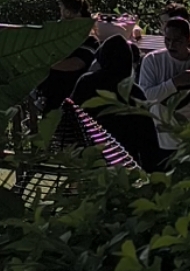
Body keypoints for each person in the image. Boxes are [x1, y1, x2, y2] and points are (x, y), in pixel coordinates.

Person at [70, 34, 165, 170]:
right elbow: (147, 138)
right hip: (124, 159)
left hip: (90, 153)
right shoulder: (133, 91)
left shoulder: (86, 83)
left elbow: (71, 115)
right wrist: (151, 169)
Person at [139, 16, 190, 152]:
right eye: (167, 40)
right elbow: (146, 98)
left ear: (189, 39)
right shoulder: (152, 61)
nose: (171, 45)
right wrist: (174, 83)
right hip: (161, 139)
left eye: (177, 41)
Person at [37, 0, 97, 113]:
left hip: (74, 99)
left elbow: (76, 64)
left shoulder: (89, 41)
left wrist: (44, 64)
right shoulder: (60, 38)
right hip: (52, 97)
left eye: (65, 14)